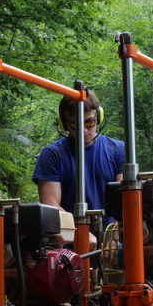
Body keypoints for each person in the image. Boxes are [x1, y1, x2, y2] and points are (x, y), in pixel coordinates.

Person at [33, 89, 125, 245]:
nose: (84, 131)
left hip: (113, 248)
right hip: (68, 249)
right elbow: (50, 205)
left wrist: (116, 234)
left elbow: (125, 200)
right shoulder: (51, 155)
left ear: (99, 117)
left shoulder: (119, 150)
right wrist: (80, 233)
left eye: (89, 123)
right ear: (63, 124)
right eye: (75, 124)